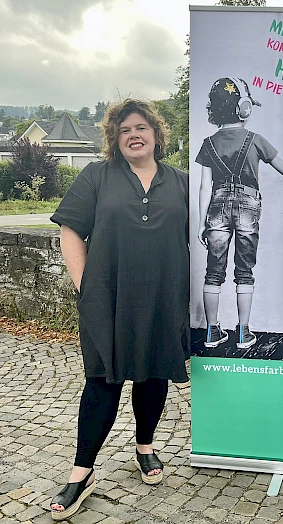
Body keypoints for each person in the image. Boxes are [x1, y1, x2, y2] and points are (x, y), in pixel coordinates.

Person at [47, 99, 190, 520]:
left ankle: (145, 447)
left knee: (153, 375)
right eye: (125, 129)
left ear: (156, 135)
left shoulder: (181, 182)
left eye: (142, 127)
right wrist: (86, 286)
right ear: (115, 137)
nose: (134, 134)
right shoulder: (97, 176)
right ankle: (82, 473)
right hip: (107, 299)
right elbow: (71, 229)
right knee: (102, 381)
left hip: (164, 297)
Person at [196, 77, 283, 350]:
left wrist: (201, 223)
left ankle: (212, 332)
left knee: (213, 273)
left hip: (216, 206)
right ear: (244, 108)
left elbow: (205, 188)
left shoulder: (207, 144)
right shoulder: (256, 140)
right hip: (249, 206)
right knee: (245, 271)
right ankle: (243, 332)